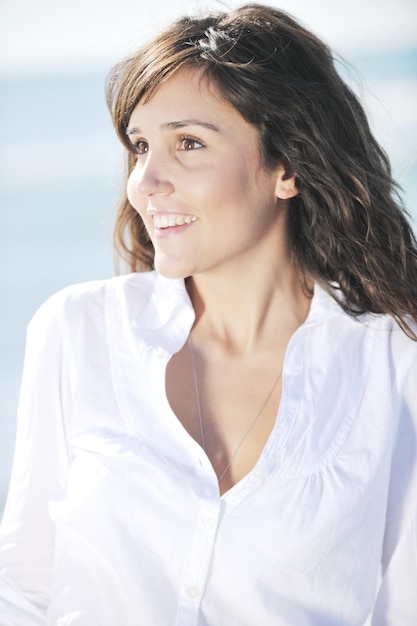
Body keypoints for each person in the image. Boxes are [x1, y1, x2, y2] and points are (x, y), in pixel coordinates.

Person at [1, 3, 416, 624]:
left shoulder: (394, 360)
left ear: (288, 168)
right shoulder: (77, 329)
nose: (145, 181)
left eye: (188, 143)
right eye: (140, 146)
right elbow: (24, 589)